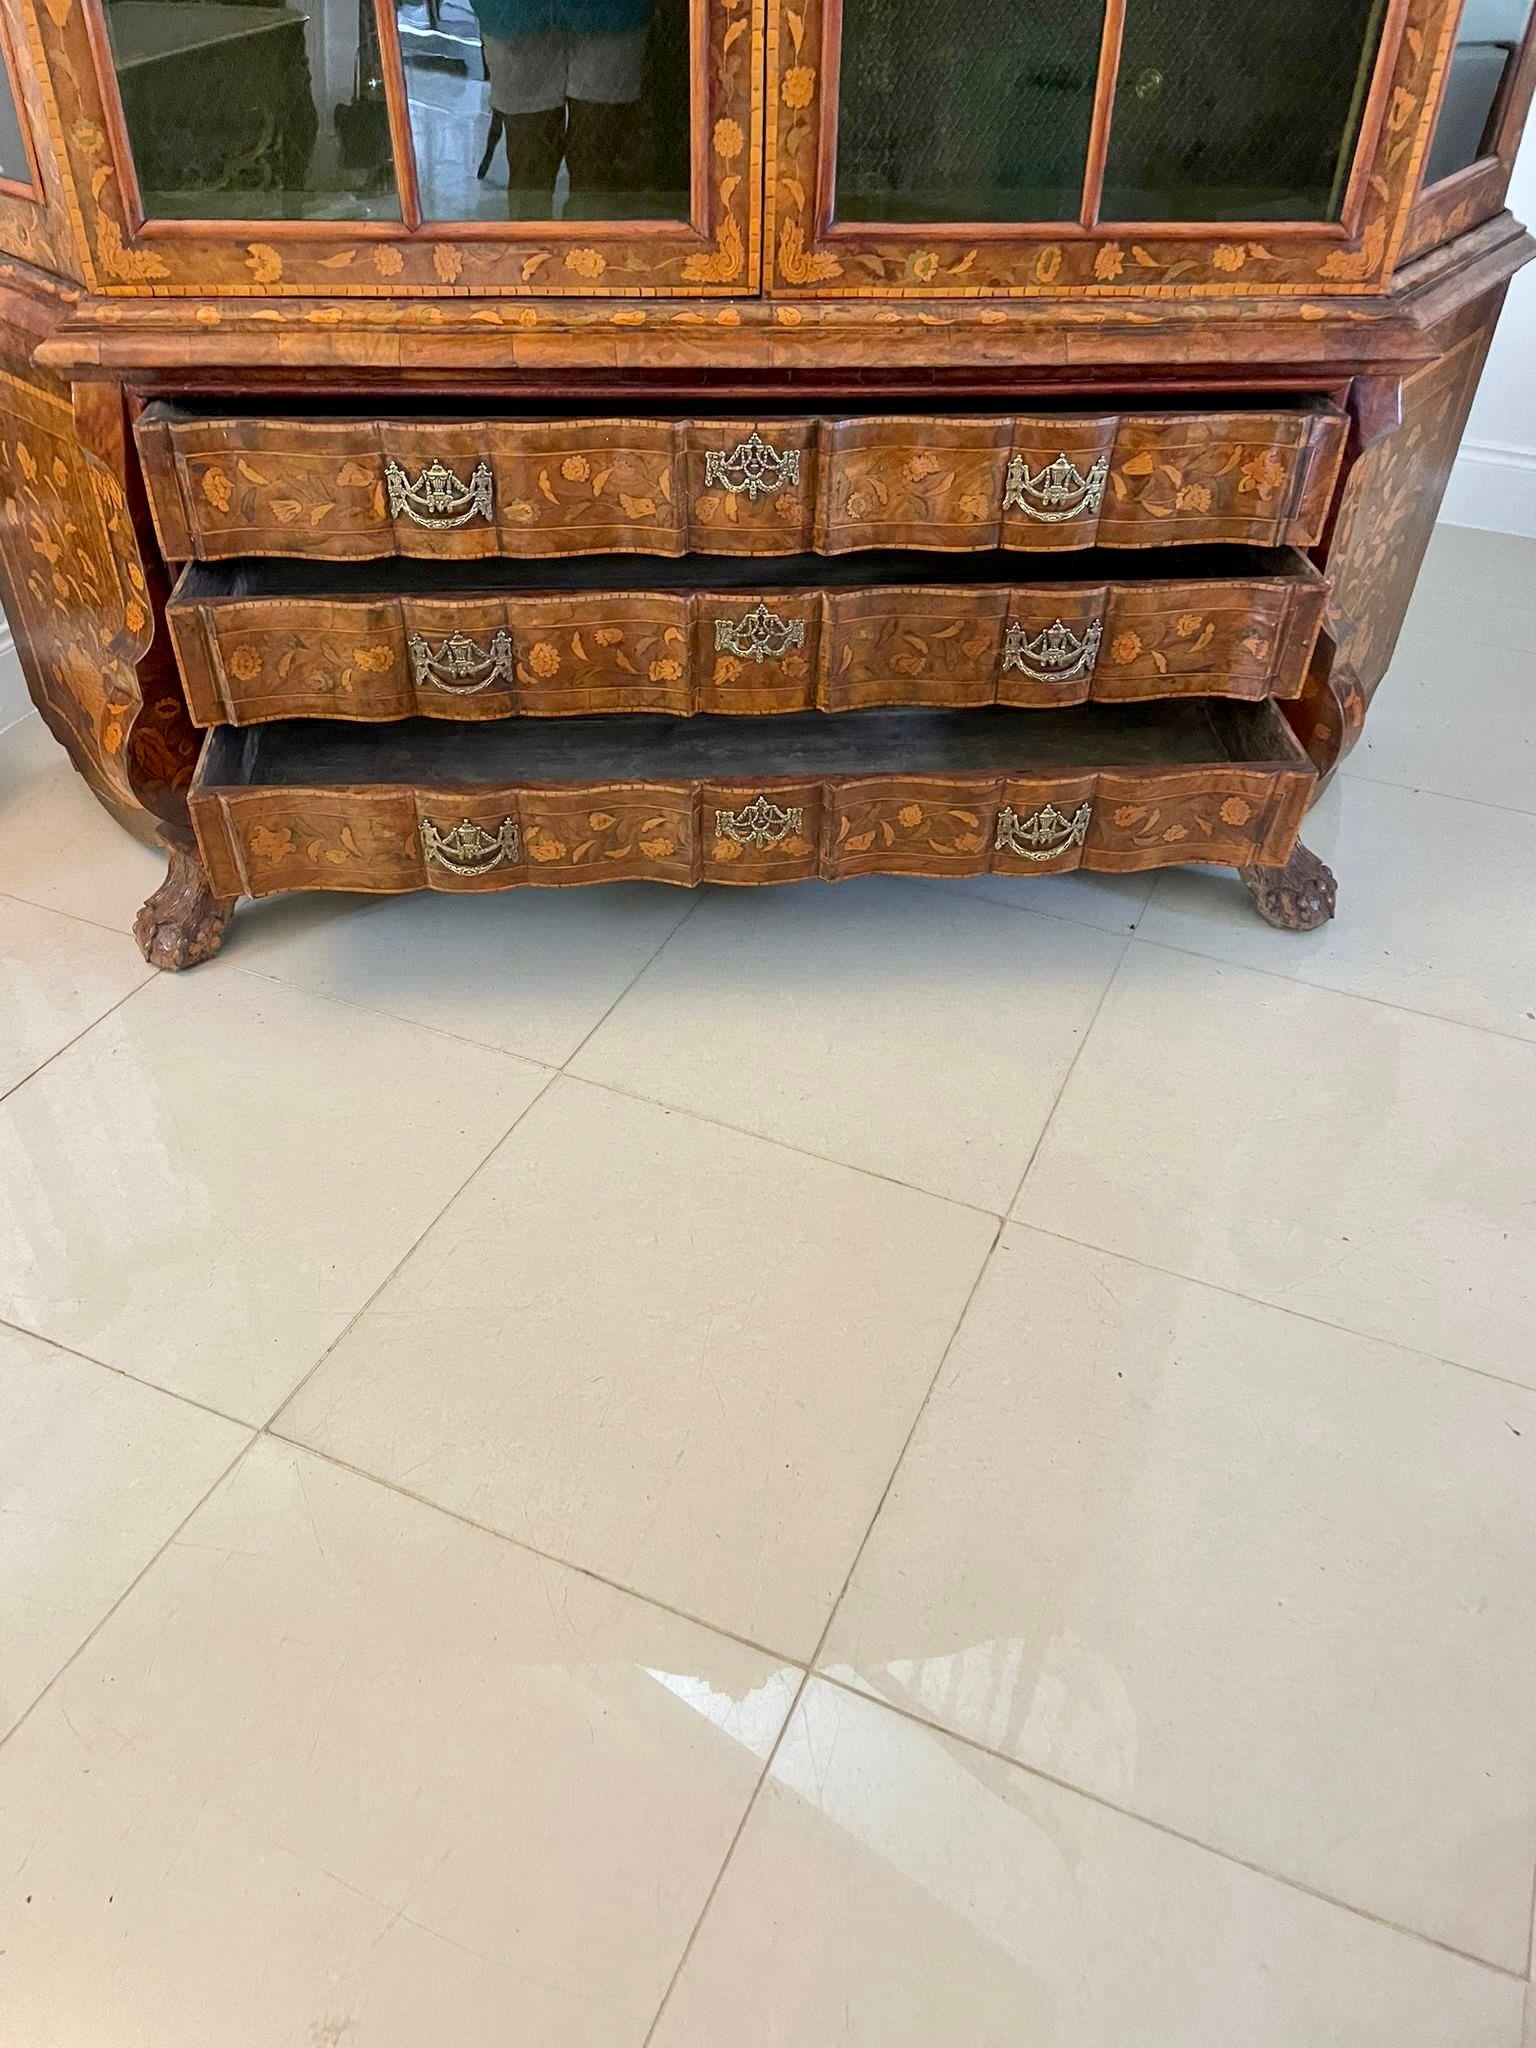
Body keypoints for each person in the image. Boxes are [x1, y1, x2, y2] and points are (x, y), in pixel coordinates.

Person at [471, 0, 653, 218]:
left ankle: (583, 248)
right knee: (530, 163)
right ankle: (532, 250)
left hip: (615, 11)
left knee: (597, 169)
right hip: (514, 11)